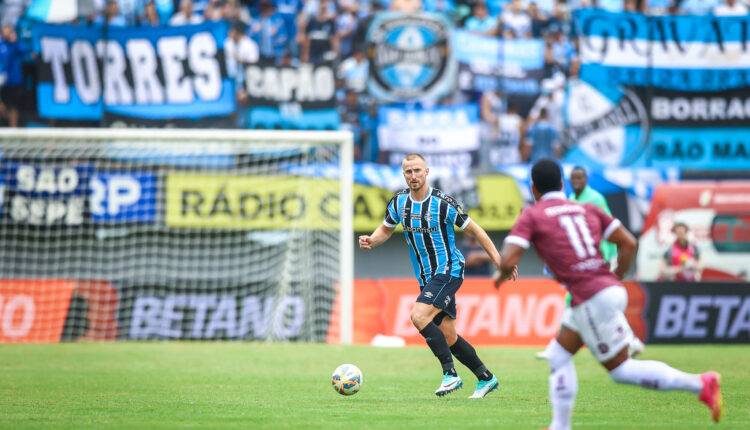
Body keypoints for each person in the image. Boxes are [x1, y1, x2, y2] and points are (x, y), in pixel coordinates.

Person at [495, 159, 722, 429]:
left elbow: (508, 260)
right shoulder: (586, 208)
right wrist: (616, 276)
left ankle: (700, 384)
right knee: (558, 355)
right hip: (607, 289)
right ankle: (559, 426)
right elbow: (629, 242)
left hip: (590, 297)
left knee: (621, 371)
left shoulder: (533, 215)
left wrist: (499, 276)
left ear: (533, 188)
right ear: (562, 184)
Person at [359, 153, 517, 398]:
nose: (413, 176)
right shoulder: (399, 203)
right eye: (408, 172)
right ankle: (486, 377)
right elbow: (386, 229)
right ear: (404, 174)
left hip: (449, 270)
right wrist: (372, 239)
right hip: (426, 277)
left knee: (419, 315)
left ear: (427, 172)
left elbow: (477, 230)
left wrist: (501, 261)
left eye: (417, 171)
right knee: (449, 336)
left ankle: (450, 375)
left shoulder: (443, 203)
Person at [536, 166, 645, 360]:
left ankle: (627, 340)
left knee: (583, 299)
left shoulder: (595, 199)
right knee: (581, 300)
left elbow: (609, 229)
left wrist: (609, 258)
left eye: (580, 177)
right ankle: (629, 340)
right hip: (586, 260)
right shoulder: (572, 199)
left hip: (602, 257)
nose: (576, 181)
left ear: (586, 179)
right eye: (573, 178)